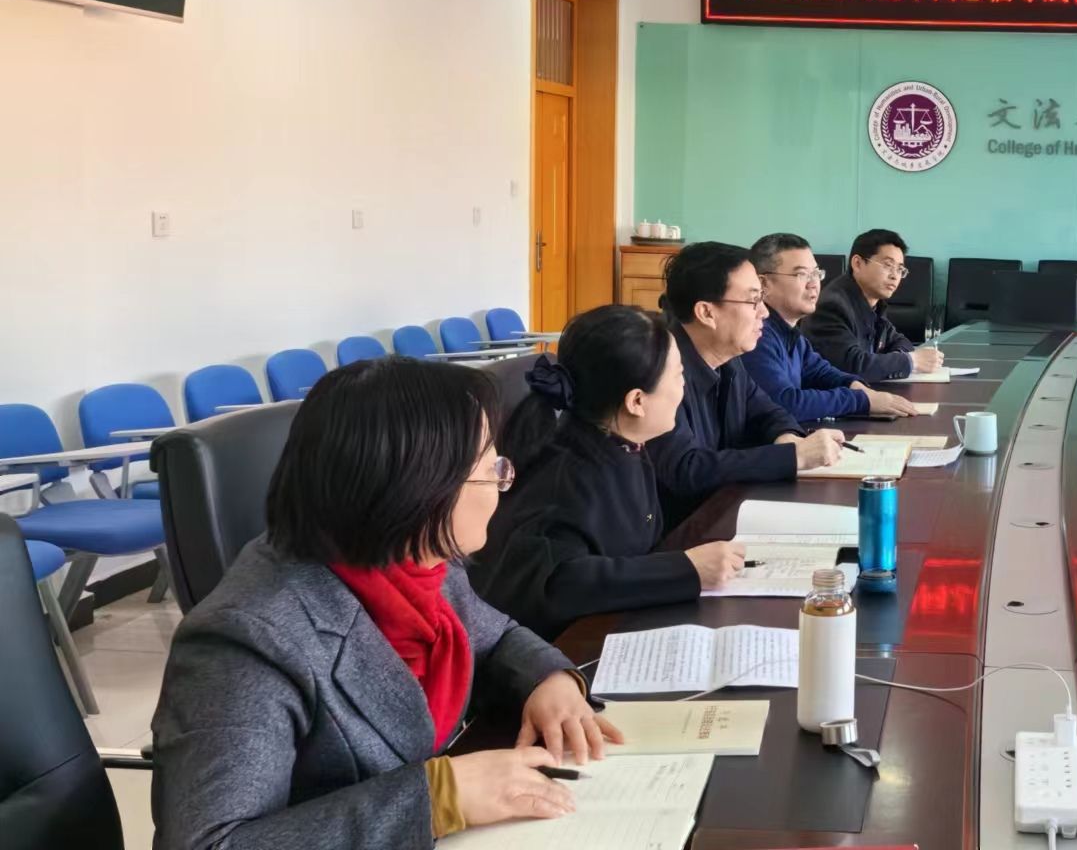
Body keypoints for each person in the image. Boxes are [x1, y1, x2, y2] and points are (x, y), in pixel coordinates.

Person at [153, 357, 619, 848]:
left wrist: (548, 678)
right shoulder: (247, 640)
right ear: (418, 489)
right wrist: (437, 799)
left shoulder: (418, 563)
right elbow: (210, 843)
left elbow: (495, 635)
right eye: (489, 470)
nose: (503, 485)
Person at [470, 305, 749, 639]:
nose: (684, 386)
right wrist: (685, 570)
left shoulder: (624, 444)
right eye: (678, 374)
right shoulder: (567, 476)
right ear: (636, 402)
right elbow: (559, 583)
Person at [653, 241, 846, 523]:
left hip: (723, 512)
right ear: (706, 312)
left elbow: (769, 412)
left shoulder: (729, 359)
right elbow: (686, 469)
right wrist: (793, 456)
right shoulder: (659, 371)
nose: (764, 313)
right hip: (681, 532)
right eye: (753, 300)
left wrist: (786, 437)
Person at [744, 231, 918, 423]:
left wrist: (857, 387)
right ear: (763, 283)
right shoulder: (756, 334)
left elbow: (819, 372)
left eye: (816, 274)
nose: (813, 284)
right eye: (801, 274)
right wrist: (861, 400)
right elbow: (784, 403)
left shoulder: (790, 332)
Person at [804, 228, 943, 382]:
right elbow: (852, 366)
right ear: (857, 263)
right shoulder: (832, 306)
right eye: (888, 265)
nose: (894, 276)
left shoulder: (874, 303)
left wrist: (893, 361)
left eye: (900, 269)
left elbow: (900, 341)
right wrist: (911, 361)